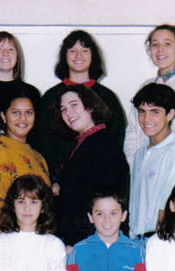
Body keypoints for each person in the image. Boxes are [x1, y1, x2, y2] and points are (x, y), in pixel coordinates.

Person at [34, 29, 126, 183]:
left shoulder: (107, 97)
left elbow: (116, 138)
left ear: (93, 55)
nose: (78, 56)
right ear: (64, 56)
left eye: (84, 50)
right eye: (72, 51)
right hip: (58, 180)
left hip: (99, 177)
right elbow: (42, 140)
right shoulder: (51, 97)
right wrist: (54, 178)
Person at [54, 84, 129, 246]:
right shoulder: (87, 142)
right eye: (63, 109)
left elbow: (101, 203)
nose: (68, 113)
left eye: (74, 105)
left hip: (92, 242)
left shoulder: (102, 146)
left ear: (90, 106)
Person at [0, 88, 49, 247]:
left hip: (39, 245)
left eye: (29, 112)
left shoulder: (38, 158)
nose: (23, 118)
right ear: (3, 116)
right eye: (15, 112)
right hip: (8, 249)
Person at [124, 24, 175, 166]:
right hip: (143, 167)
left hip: (174, 167)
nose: (160, 50)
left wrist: (164, 165)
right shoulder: (146, 85)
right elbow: (132, 132)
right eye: (155, 45)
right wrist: (134, 165)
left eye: (167, 44)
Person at [128, 83, 175, 240]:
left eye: (155, 112)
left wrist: (158, 242)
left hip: (160, 239)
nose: (146, 119)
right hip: (136, 239)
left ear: (170, 114)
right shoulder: (140, 154)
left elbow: (172, 206)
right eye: (142, 111)